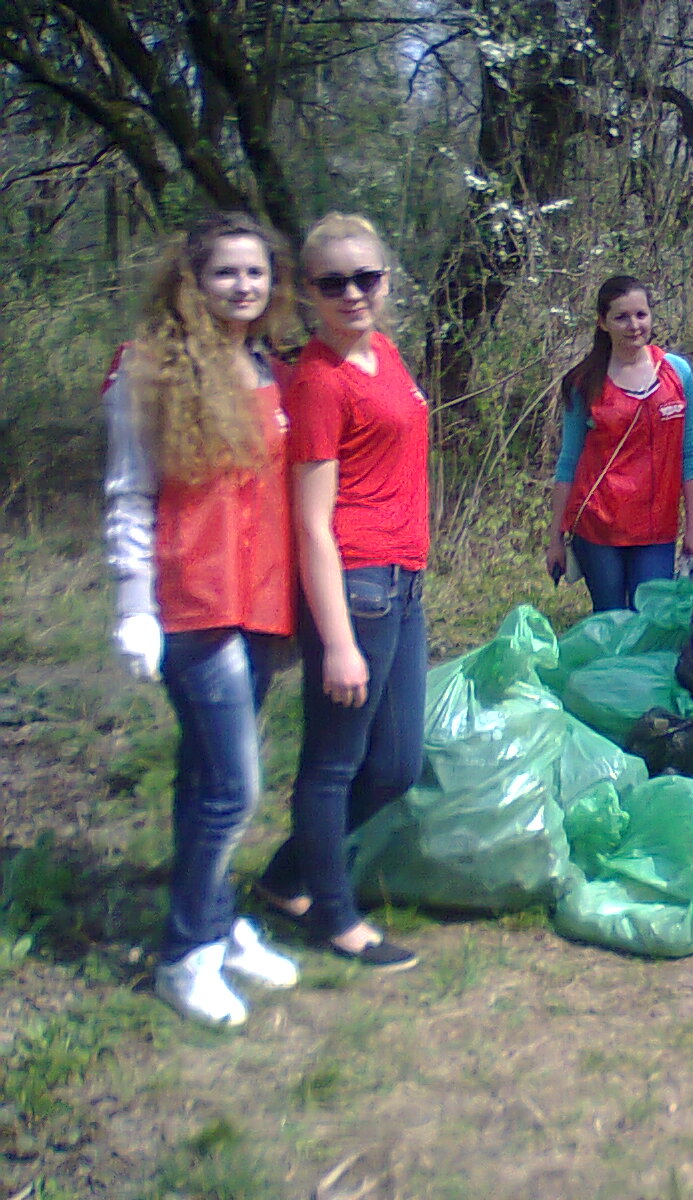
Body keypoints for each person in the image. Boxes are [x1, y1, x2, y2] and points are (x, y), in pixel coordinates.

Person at [104, 211, 302, 1025]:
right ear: (193, 278)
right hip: (192, 604)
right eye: (226, 272)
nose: (244, 286)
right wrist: (132, 608)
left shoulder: (267, 369)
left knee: (203, 779)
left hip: (259, 602)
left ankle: (217, 927)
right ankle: (185, 954)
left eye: (256, 273)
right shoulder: (147, 369)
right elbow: (128, 495)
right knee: (233, 787)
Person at [255, 213, 429, 968]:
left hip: (405, 584)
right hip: (357, 587)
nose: (353, 292)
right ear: (309, 292)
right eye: (333, 282)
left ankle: (289, 875)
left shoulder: (384, 355)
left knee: (395, 765)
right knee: (332, 763)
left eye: (366, 277)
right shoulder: (319, 381)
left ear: (386, 279)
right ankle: (333, 916)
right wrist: (336, 642)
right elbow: (312, 524)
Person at [545, 275, 693, 612]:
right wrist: (555, 539)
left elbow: (690, 456)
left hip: (657, 528)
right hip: (598, 525)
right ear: (603, 323)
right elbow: (569, 461)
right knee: (611, 620)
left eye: (641, 315)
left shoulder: (678, 373)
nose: (634, 325)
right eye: (621, 317)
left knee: (650, 620)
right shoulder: (583, 382)